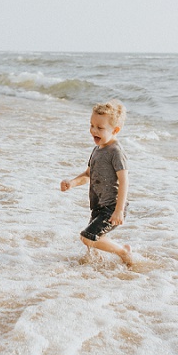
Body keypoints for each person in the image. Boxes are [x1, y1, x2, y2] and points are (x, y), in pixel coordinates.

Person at [60, 100, 132, 266]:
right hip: (98, 205)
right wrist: (71, 183)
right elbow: (88, 175)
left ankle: (123, 252)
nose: (93, 130)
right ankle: (97, 268)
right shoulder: (97, 149)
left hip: (112, 206)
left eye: (100, 128)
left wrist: (119, 210)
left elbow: (124, 181)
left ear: (115, 130)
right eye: (92, 125)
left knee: (88, 237)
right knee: (93, 242)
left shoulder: (116, 151)